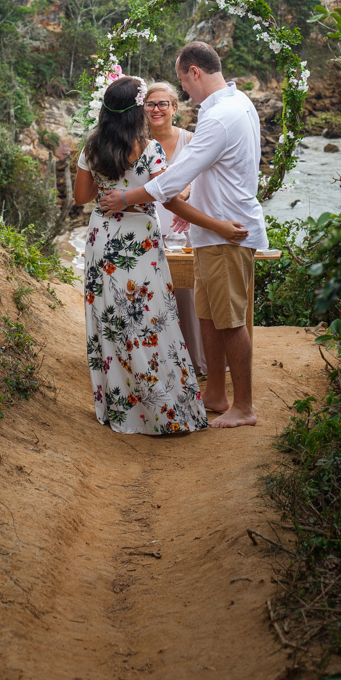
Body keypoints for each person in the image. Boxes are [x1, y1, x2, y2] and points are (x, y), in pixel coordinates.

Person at [100, 44, 266, 429]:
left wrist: (125, 197)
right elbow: (204, 172)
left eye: (181, 83)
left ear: (194, 72)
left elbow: (177, 175)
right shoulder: (235, 103)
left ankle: (244, 406)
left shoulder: (222, 116)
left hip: (229, 231)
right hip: (211, 229)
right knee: (208, 315)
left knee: (230, 320)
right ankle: (214, 394)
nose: (184, 92)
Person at [143, 80, 207, 376]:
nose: (156, 109)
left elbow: (205, 178)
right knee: (152, 298)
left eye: (162, 104)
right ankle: (157, 363)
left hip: (184, 226)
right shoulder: (137, 141)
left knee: (186, 296)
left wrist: (187, 198)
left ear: (174, 108)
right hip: (148, 227)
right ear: (143, 108)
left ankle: (196, 363)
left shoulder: (191, 140)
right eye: (150, 104)